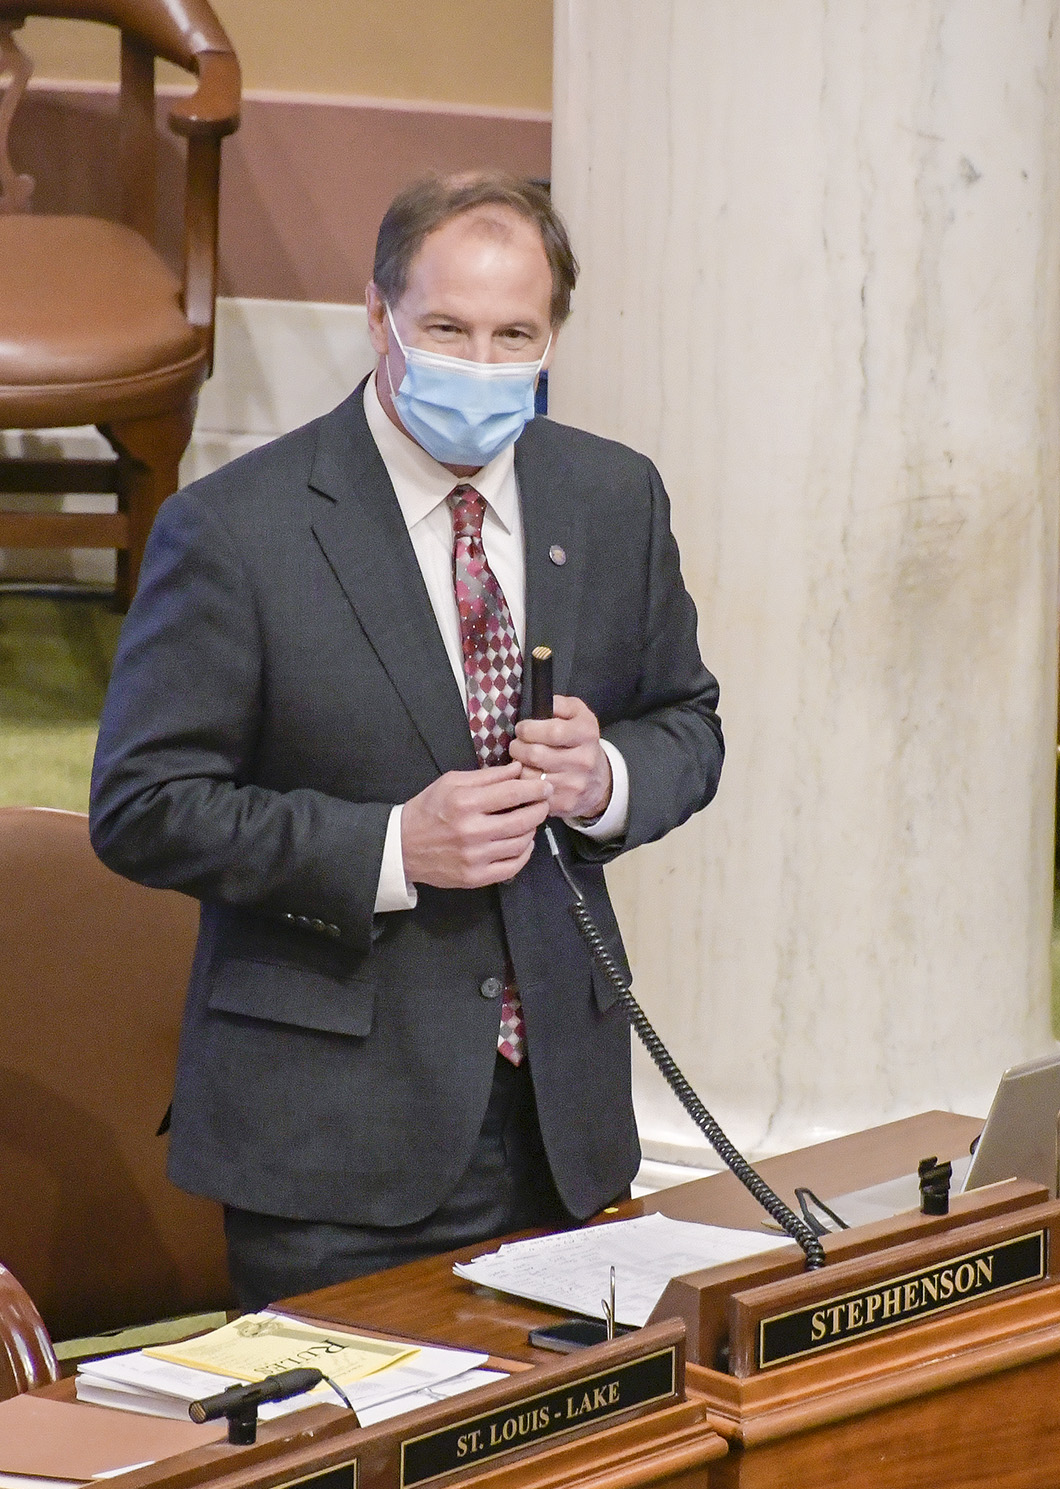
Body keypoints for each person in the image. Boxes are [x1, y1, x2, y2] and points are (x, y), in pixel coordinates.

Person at [90, 170, 722, 1312]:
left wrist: (607, 778)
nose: (479, 364)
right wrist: (390, 846)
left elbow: (687, 720)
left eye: (513, 334)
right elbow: (143, 805)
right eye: (446, 328)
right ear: (376, 318)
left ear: (553, 337)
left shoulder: (613, 498)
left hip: (563, 1123)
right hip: (336, 1142)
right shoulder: (237, 531)